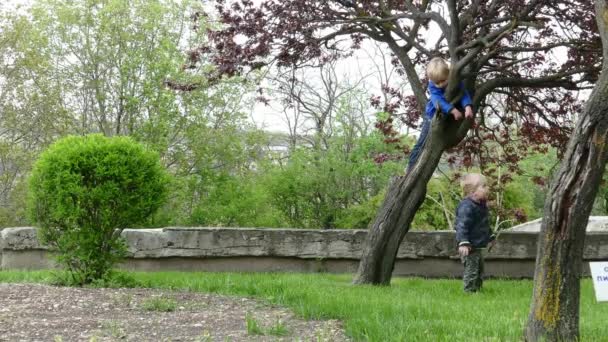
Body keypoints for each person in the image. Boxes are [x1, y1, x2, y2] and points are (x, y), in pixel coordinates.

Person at [407, 57, 474, 172]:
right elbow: (438, 101)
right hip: (432, 117)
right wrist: (453, 110)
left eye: (443, 81)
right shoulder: (433, 86)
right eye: (437, 82)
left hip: (447, 117)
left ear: (449, 74)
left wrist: (467, 106)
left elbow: (463, 93)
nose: (440, 85)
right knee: (422, 143)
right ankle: (410, 167)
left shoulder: (455, 80)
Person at [455, 173, 495, 293]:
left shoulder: (480, 205)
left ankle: (477, 289)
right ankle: (469, 291)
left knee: (479, 270)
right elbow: (461, 225)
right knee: (471, 270)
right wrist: (463, 242)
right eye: (483, 186)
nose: (487, 188)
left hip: (477, 246)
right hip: (469, 247)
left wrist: (490, 237)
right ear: (472, 192)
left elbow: (483, 224)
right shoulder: (466, 206)